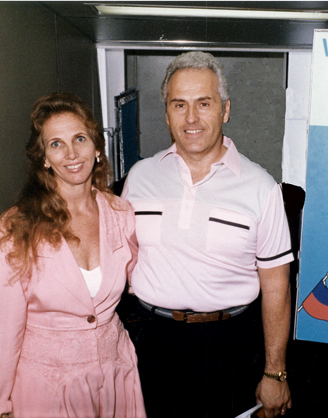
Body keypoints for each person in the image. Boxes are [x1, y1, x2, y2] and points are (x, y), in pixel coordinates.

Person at [121, 51, 293, 418]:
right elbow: (120, 257)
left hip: (230, 346)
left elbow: (277, 286)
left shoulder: (262, 188)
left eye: (204, 103)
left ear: (225, 110)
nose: (192, 118)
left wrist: (275, 371)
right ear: (166, 113)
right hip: (153, 344)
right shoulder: (139, 178)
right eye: (179, 105)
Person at [0, 93, 145, 418]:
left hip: (115, 378)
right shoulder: (11, 232)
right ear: (43, 157)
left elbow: (141, 281)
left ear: (97, 148)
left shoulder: (122, 214)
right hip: (45, 388)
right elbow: (3, 331)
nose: (71, 153)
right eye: (56, 144)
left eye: (80, 139)